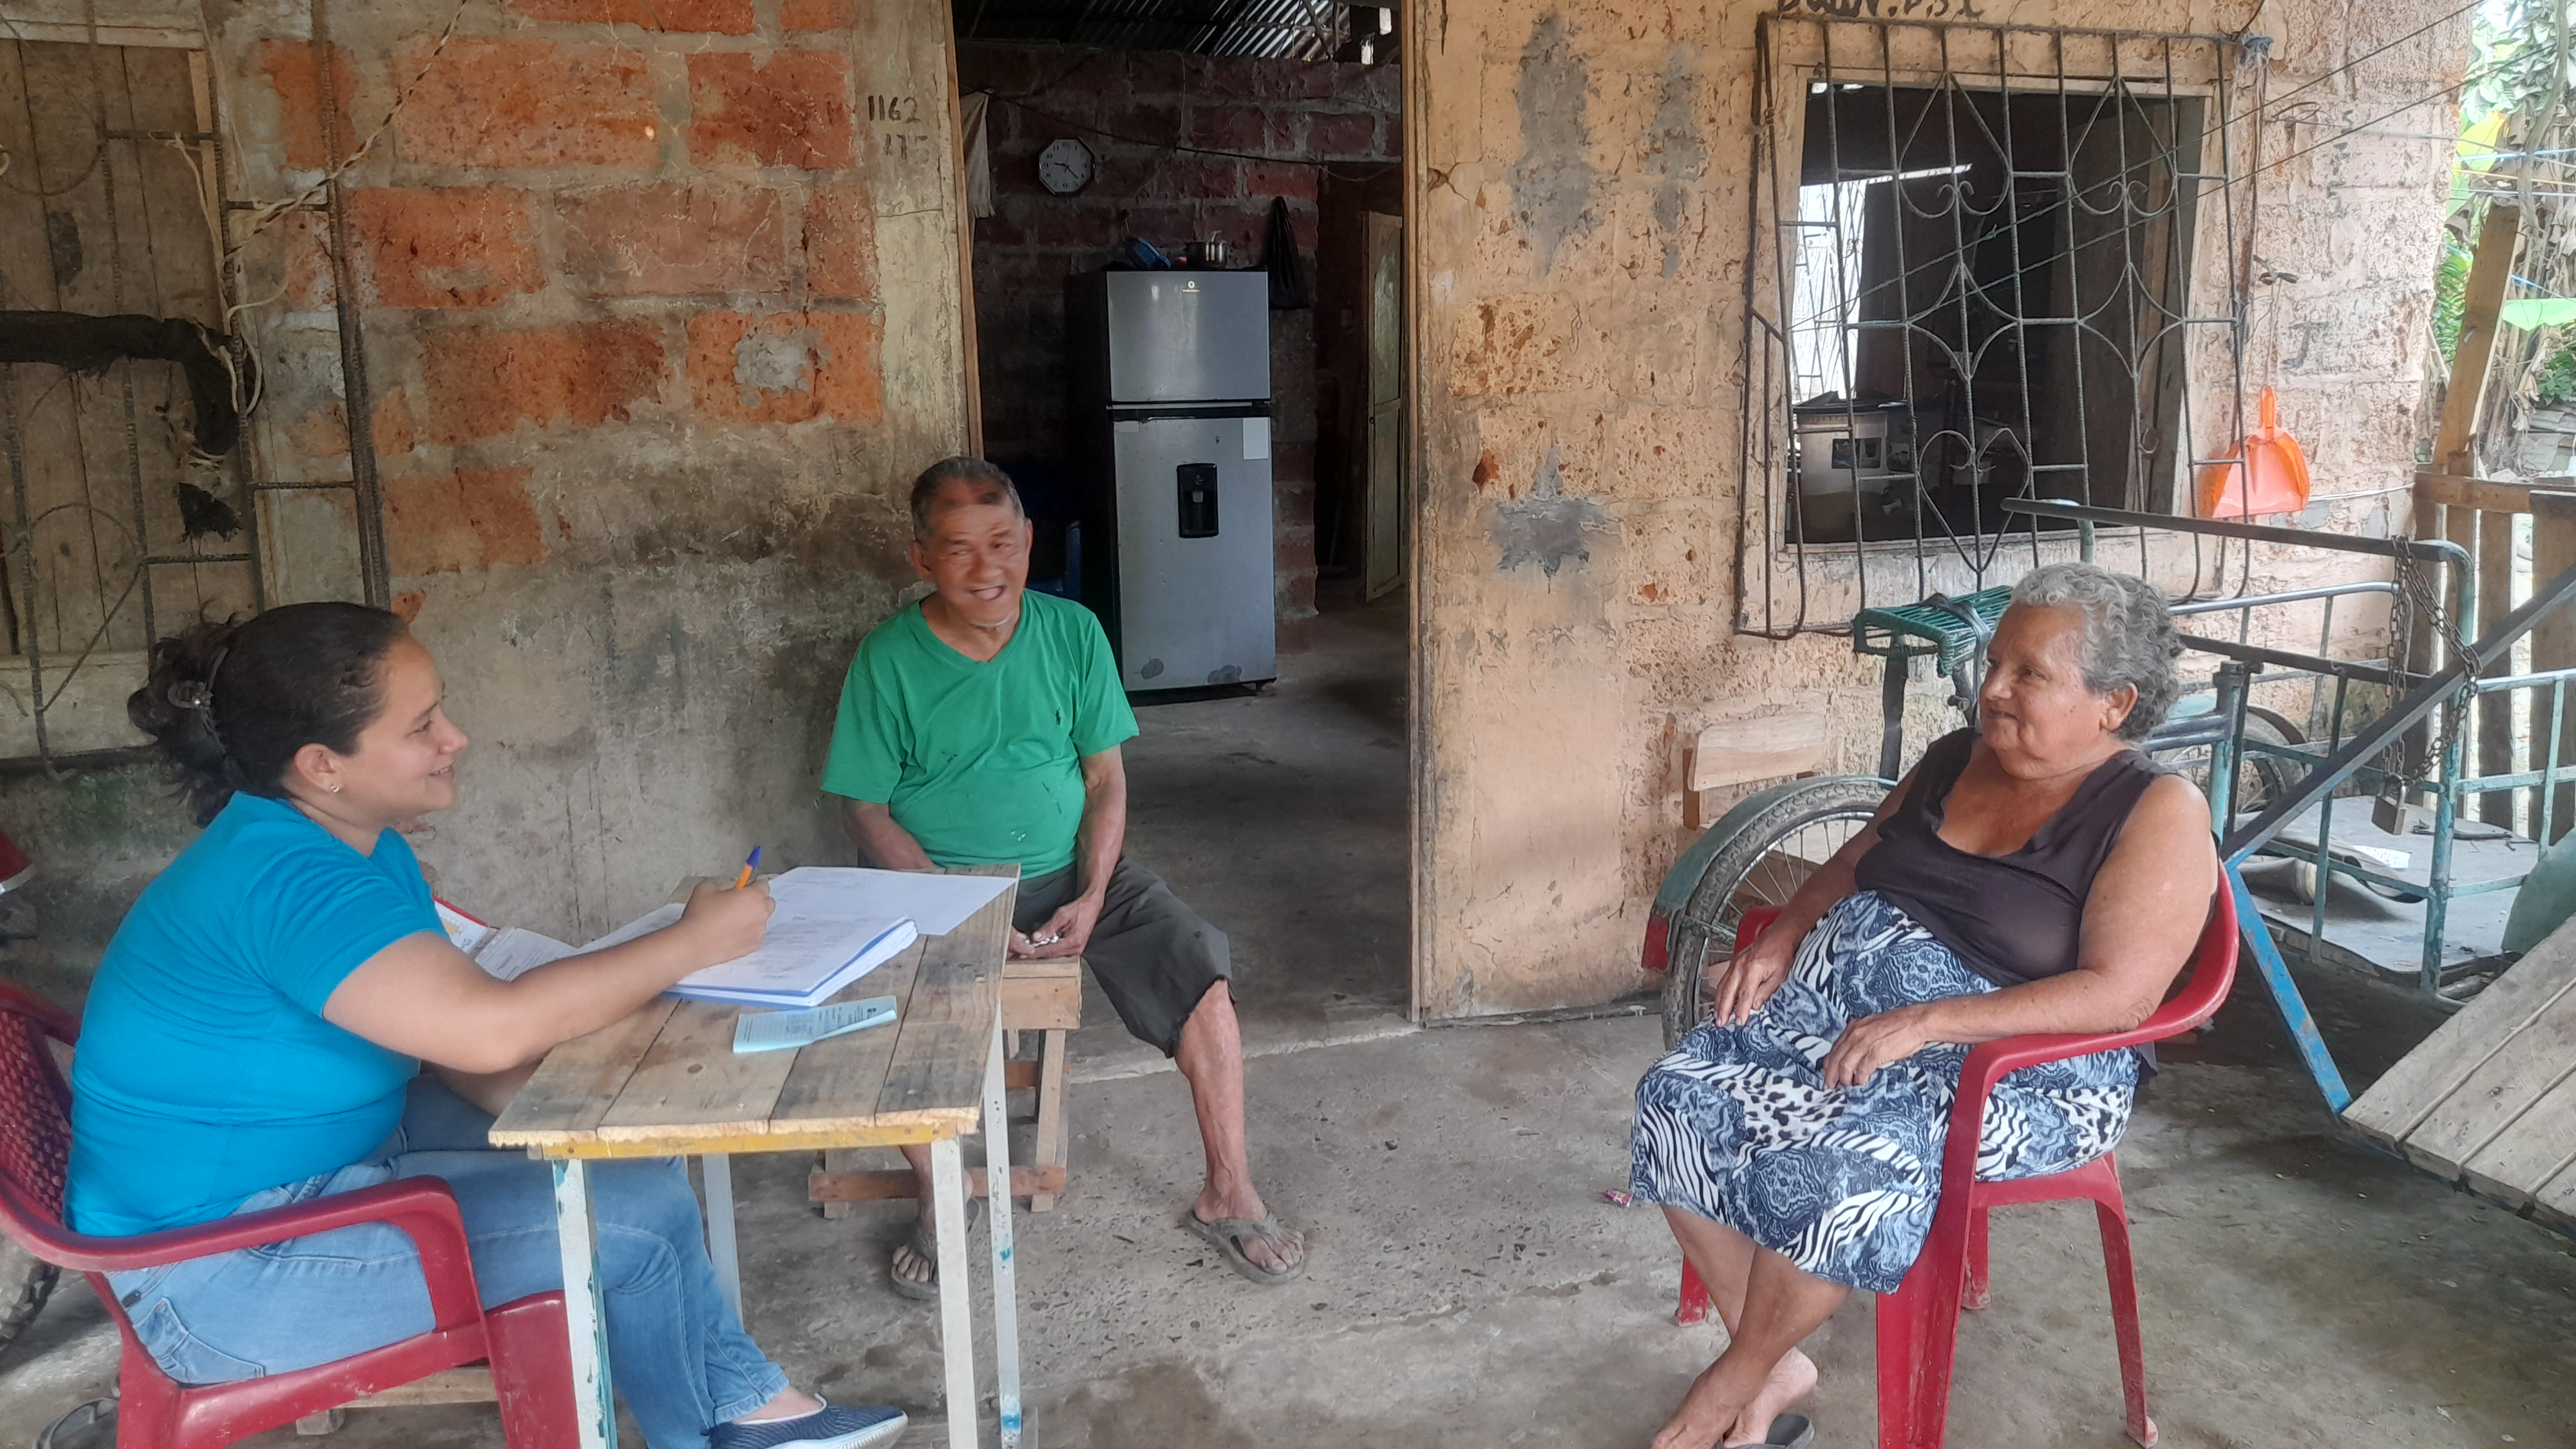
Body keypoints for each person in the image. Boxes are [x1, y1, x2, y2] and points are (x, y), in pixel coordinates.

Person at [68, 602, 906, 1449]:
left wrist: (585, 1111)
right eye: (422, 725)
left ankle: (743, 1407)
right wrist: (690, 944)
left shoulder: (354, 845)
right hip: (220, 1274)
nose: (455, 738)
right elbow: (486, 1030)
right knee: (640, 1221)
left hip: (318, 1171)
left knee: (626, 1151)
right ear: (322, 764)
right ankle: (723, 1428)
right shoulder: (286, 881)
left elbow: (456, 1043)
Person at [1627, 562, 2219, 1449]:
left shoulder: (2154, 808)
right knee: (1677, 1094)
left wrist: (1928, 1021)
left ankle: (1733, 1382)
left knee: (1838, 1171)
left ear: (2114, 703)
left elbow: (2122, 994)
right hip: (1848, 1032)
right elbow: (1855, 860)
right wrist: (1785, 932)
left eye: (2028, 673)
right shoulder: (1955, 759)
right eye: (1997, 662)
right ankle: (1771, 1358)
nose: (1993, 688)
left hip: (2020, 1071)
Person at [822, 456, 1307, 1295]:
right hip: (932, 888)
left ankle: (1228, 1191)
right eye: (960, 549)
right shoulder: (887, 658)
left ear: (1029, 541)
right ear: (922, 559)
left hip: (1068, 875)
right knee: (861, 1004)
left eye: (1003, 542)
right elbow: (864, 811)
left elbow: (1105, 779)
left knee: (1200, 973)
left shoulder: (1073, 632)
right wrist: (961, 903)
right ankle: (943, 1189)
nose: (987, 568)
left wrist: (1093, 891)